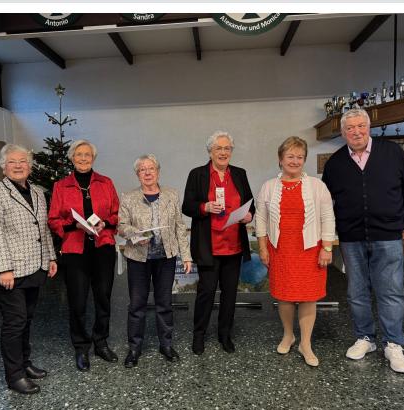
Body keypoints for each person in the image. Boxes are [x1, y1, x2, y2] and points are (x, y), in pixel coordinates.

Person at [322, 109, 404, 373]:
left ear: (369, 127)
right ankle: (365, 337)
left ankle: (393, 343)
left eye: (360, 126)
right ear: (343, 133)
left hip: (388, 234)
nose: (356, 132)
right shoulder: (336, 163)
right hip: (351, 237)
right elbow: (326, 203)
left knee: (391, 290)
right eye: (350, 128)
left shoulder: (391, 152)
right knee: (357, 291)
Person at [0, 144, 58, 395]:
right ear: (3, 166)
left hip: (34, 267)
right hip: (9, 272)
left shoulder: (36, 192)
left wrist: (51, 258)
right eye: (12, 161)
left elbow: (43, 229)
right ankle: (14, 376)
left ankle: (25, 363)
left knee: (27, 319)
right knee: (15, 322)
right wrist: (4, 269)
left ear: (30, 165)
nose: (18, 165)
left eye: (22, 161)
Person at [255, 136, 335, 367]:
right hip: (280, 250)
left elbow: (328, 218)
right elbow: (261, 219)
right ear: (280, 159)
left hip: (310, 249)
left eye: (300, 157)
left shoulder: (317, 186)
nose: (295, 160)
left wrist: (326, 248)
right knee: (285, 297)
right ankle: (288, 335)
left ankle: (306, 343)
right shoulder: (269, 187)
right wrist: (262, 247)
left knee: (309, 297)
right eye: (290, 156)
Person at [48, 140, 120, 372]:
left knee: (103, 298)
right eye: (79, 154)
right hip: (75, 251)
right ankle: (81, 347)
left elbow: (117, 214)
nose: (83, 158)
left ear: (93, 158)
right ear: (72, 158)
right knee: (77, 302)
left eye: (87, 155)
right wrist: (74, 226)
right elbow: (53, 219)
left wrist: (105, 223)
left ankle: (101, 342)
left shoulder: (106, 183)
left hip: (103, 247)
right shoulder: (61, 186)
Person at [182, 130, 255, 355]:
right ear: (210, 152)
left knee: (230, 293)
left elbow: (251, 204)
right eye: (218, 148)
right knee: (206, 293)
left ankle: (225, 334)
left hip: (234, 245)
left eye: (227, 148)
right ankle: (199, 335)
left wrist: (249, 215)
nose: (223, 152)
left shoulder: (240, 174)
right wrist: (204, 207)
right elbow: (187, 206)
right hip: (209, 246)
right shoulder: (197, 174)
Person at [118, 154, 193, 368]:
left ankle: (166, 344)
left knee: (164, 303)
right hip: (138, 258)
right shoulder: (128, 197)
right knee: (137, 304)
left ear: (158, 171)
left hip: (165, 258)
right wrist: (135, 234)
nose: (147, 172)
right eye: (142, 169)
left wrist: (186, 256)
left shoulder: (171, 194)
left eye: (151, 168)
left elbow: (179, 226)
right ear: (137, 174)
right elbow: (121, 225)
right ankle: (134, 348)